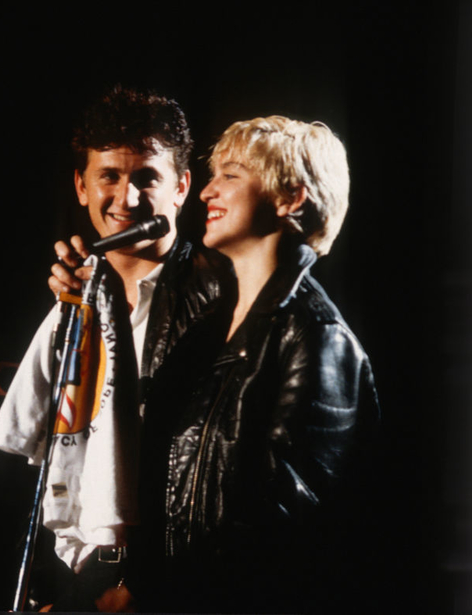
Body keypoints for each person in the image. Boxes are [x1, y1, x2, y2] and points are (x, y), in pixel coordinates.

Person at [0, 86, 232, 611]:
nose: (126, 199)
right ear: (81, 186)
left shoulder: (220, 299)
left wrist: (138, 585)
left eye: (147, 177)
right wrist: (43, 587)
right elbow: (34, 456)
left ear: (182, 187)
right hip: (70, 574)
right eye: (110, 176)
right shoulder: (72, 300)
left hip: (158, 580)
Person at [133, 116, 381, 613]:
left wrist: (155, 598)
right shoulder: (206, 330)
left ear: (291, 199)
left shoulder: (317, 338)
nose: (206, 191)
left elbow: (283, 529)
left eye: (231, 174)